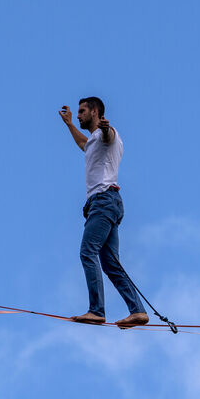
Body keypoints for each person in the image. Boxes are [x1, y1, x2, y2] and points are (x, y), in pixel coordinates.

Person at [58, 97, 149, 329]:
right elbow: (83, 145)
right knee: (111, 264)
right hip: (110, 204)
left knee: (87, 252)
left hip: (103, 202)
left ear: (95, 112)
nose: (78, 115)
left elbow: (107, 136)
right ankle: (138, 311)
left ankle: (96, 310)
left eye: (81, 111)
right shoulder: (93, 142)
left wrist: (106, 128)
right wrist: (69, 124)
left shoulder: (108, 134)